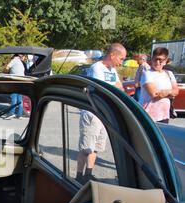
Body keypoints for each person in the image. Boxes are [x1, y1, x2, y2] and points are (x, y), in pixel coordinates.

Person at [76, 43, 127, 184]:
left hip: (103, 113)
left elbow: (120, 87)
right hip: (92, 113)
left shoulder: (112, 70)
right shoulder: (97, 68)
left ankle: (88, 174)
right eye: (121, 59)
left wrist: (115, 87)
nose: (121, 62)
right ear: (112, 55)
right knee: (86, 147)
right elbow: (103, 89)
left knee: (96, 147)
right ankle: (79, 175)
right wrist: (114, 87)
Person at [139, 47, 178, 124]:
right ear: (152, 59)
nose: (157, 62)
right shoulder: (147, 73)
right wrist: (170, 93)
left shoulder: (169, 74)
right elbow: (154, 94)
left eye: (161, 60)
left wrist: (164, 93)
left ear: (166, 61)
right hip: (148, 116)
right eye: (155, 59)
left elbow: (176, 91)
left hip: (164, 115)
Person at [3, 54, 26, 119]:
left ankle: (12, 113)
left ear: (14, 56)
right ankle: (19, 114)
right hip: (22, 81)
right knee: (19, 99)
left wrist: (4, 72)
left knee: (14, 97)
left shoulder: (14, 60)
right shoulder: (20, 62)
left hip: (16, 81)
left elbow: (7, 67)